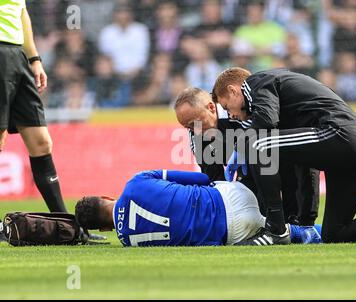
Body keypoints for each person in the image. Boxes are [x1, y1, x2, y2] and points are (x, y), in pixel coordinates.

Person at [210, 67, 356, 245]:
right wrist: (306, 221)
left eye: (227, 105)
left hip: (340, 134)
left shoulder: (255, 82)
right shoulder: (286, 105)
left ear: (233, 90)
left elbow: (266, 124)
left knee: (258, 143)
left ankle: (275, 231)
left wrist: (242, 144)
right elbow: (307, 163)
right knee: (335, 234)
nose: (230, 114)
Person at [174, 87, 320, 227]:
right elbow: (215, 178)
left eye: (195, 123)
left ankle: (300, 224)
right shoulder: (196, 134)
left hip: (277, 162)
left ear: (211, 108)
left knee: (290, 217)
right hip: (247, 174)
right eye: (188, 127)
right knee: (255, 219)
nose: (195, 131)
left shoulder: (241, 108)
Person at [74, 170, 322, 247]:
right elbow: (201, 179)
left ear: (105, 228)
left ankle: (308, 233)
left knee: (279, 230)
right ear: (106, 196)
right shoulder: (136, 182)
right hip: (232, 197)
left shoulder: (130, 242)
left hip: (231, 234)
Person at [0, 0, 66, 212]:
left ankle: (65, 224)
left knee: (41, 142)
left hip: (17, 57)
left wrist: (34, 58)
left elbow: (22, 13)